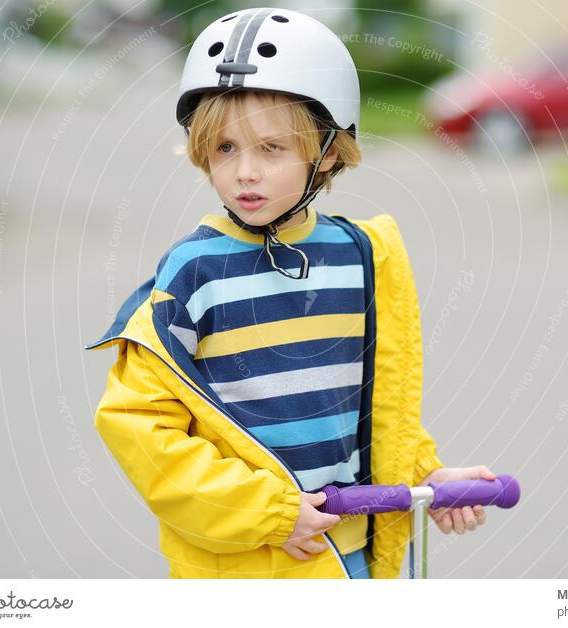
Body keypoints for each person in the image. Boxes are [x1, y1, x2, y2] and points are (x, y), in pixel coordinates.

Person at [84, 6, 496, 579]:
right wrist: (268, 512)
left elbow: (372, 408)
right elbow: (138, 424)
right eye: (225, 148)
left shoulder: (359, 258)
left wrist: (424, 476)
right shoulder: (192, 272)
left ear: (327, 151)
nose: (244, 172)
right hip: (248, 565)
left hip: (353, 558)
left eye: (271, 149)